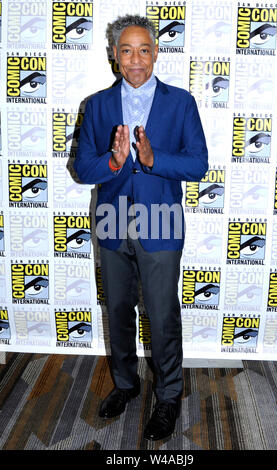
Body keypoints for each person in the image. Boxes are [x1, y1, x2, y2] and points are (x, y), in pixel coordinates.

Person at [73, 14, 208, 441]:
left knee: (162, 313)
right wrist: (113, 162)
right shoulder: (96, 105)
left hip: (161, 223)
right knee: (117, 310)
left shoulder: (181, 102)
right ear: (114, 56)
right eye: (126, 50)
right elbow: (82, 166)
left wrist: (153, 159)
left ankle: (168, 395)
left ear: (155, 53)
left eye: (144, 50)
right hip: (113, 222)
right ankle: (127, 386)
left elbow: (198, 163)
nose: (136, 60)